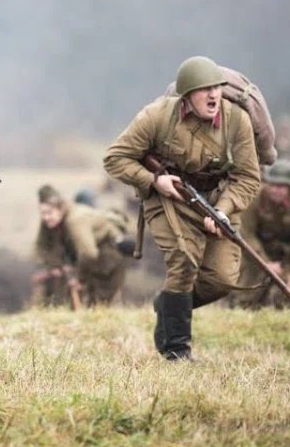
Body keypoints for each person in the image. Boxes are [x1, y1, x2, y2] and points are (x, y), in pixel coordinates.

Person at [104, 56, 261, 360]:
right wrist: (153, 181)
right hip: (167, 199)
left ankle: (168, 305)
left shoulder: (237, 121)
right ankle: (176, 350)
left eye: (217, 87)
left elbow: (247, 178)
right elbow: (115, 158)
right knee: (184, 260)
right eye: (205, 89)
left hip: (215, 202)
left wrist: (225, 209)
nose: (214, 94)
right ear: (187, 94)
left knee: (222, 279)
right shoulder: (157, 116)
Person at [232, 160, 290, 309]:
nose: (275, 190)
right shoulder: (255, 198)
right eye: (272, 185)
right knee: (247, 295)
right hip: (258, 252)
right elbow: (246, 233)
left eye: (281, 186)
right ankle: (244, 313)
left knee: (289, 291)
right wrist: (265, 262)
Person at [32, 185, 134, 308]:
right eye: (43, 213)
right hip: (88, 257)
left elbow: (88, 253)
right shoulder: (51, 220)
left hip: (108, 255)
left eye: (49, 213)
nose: (46, 217)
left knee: (102, 306)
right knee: (76, 302)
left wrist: (78, 278)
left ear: (60, 208)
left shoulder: (75, 220)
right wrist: (55, 266)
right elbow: (42, 247)